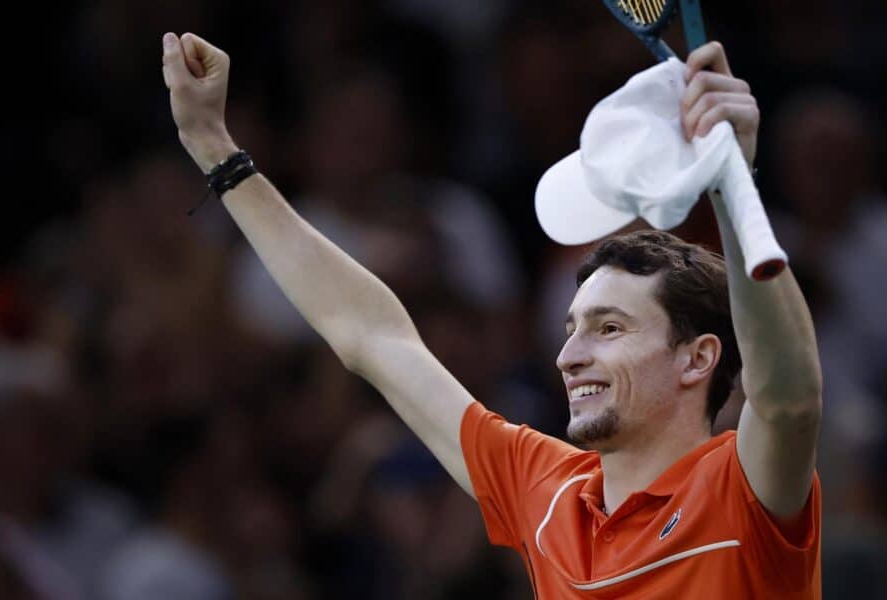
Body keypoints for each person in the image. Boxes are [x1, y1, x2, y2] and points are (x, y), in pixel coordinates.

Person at [161, 32, 822, 598]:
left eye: (609, 328)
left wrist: (733, 180)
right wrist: (218, 152)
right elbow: (370, 335)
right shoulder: (548, 492)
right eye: (571, 329)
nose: (569, 356)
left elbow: (788, 399)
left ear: (697, 358)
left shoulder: (742, 487)